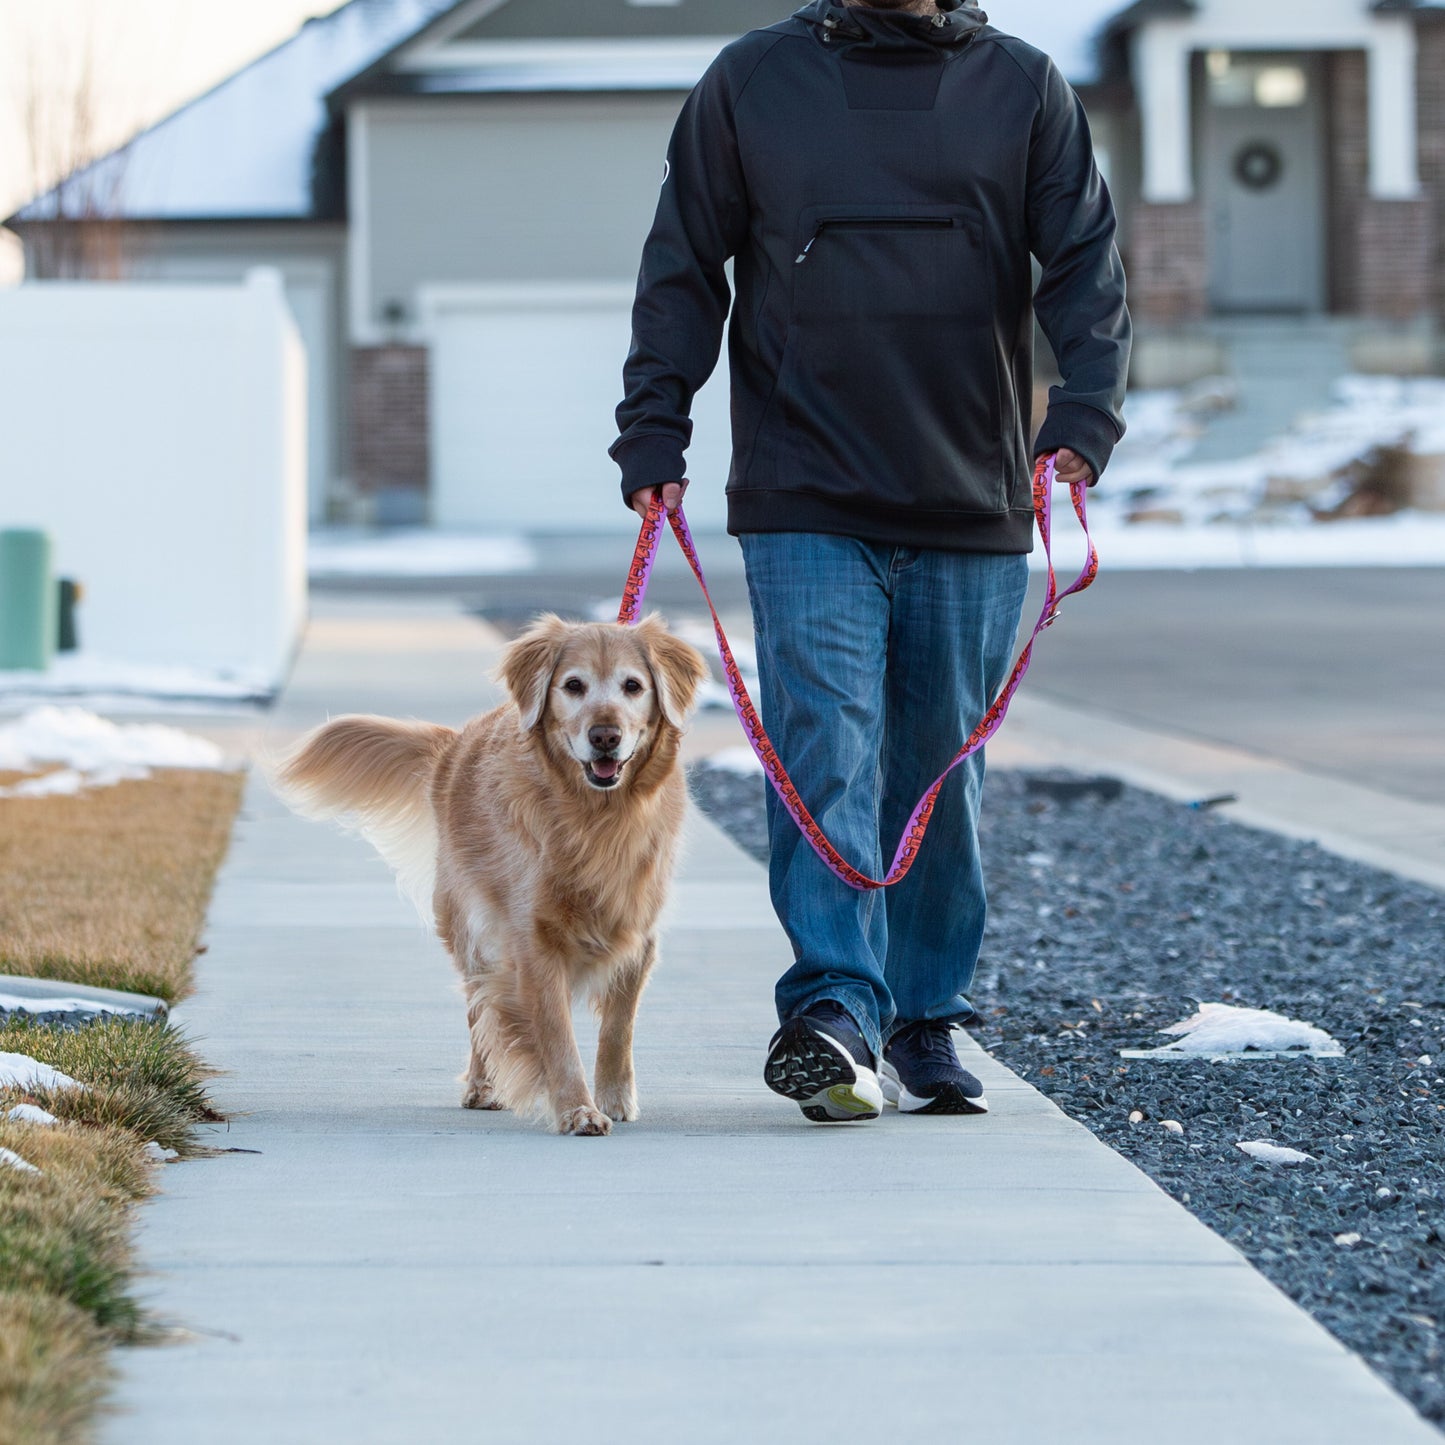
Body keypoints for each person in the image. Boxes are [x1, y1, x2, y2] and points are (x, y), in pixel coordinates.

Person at [611, 0, 1130, 1123]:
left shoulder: (1023, 87)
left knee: (938, 775)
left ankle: (924, 1016)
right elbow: (683, 265)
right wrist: (654, 425)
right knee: (824, 750)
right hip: (804, 490)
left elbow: (1084, 263)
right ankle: (832, 1012)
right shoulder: (752, 80)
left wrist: (1083, 412)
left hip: (969, 490)